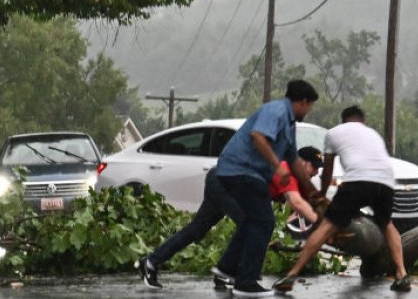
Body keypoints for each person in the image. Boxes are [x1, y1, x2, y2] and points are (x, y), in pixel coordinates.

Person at [136, 79, 319, 297]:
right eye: (310, 106)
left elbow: (295, 163)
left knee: (201, 228)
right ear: (303, 102)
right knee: (257, 221)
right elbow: (258, 136)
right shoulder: (276, 111)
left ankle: (152, 261)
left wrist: (315, 194)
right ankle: (241, 278)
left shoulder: (289, 126)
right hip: (237, 173)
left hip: (228, 177)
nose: (309, 111)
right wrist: (277, 166)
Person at [272, 105, 411, 294]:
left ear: (344, 120)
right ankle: (402, 274)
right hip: (385, 182)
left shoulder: (334, 133)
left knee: (325, 228)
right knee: (388, 224)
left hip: (357, 181)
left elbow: (327, 172)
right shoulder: (373, 134)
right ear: (362, 121)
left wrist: (321, 194)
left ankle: (291, 275)